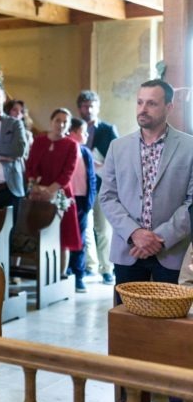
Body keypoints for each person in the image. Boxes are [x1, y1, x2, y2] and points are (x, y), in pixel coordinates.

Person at [100, 79, 193, 402]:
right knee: (128, 328)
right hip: (129, 252)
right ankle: (126, 400)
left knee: (173, 331)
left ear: (169, 107)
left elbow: (192, 203)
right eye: (140, 102)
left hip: (172, 253)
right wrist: (136, 233)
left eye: (152, 103)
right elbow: (106, 196)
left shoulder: (189, 147)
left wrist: (160, 237)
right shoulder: (118, 147)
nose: (143, 109)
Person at [26, 108, 82, 287]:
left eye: (65, 122)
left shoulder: (72, 145)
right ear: (51, 121)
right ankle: (35, 274)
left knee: (62, 236)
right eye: (58, 120)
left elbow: (68, 172)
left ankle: (60, 276)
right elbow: (31, 166)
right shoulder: (39, 141)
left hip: (60, 194)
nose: (61, 124)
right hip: (37, 192)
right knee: (33, 232)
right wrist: (34, 186)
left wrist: (51, 190)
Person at [77, 90, 119, 285]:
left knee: (103, 229)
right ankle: (90, 266)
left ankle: (107, 269)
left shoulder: (108, 129)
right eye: (85, 106)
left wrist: (101, 166)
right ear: (79, 108)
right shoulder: (73, 127)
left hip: (102, 185)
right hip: (80, 186)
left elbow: (117, 157)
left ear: (98, 107)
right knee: (85, 229)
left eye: (92, 105)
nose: (89, 109)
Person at [0, 88, 28, 240]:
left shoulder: (15, 123)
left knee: (8, 235)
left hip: (10, 188)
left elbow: (19, 149)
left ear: (4, 98)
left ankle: (5, 265)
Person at [66, 117, 97, 293]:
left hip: (82, 200)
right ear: (74, 132)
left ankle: (79, 275)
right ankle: (65, 272)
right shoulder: (63, 148)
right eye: (83, 132)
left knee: (80, 239)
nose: (86, 135)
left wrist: (90, 202)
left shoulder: (85, 152)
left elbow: (91, 178)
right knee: (65, 238)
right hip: (66, 200)